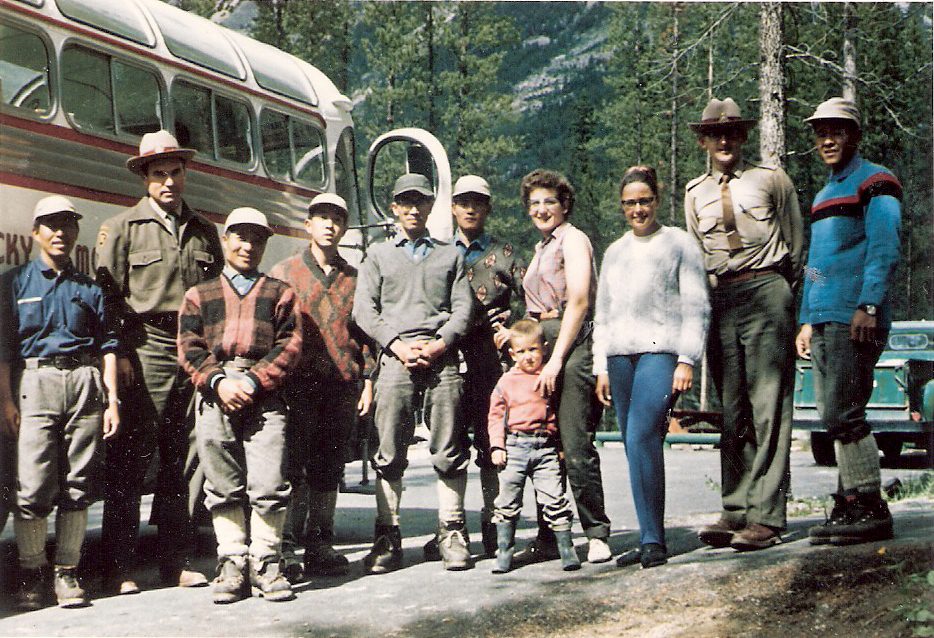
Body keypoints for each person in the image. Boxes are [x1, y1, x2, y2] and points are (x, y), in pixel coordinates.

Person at [95, 130, 223, 593]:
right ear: (145, 179)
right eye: (158, 174)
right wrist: (121, 351)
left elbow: (216, 296)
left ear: (185, 174)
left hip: (191, 347)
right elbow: (108, 297)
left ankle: (175, 560)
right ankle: (120, 566)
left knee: (185, 457)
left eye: (175, 172)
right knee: (130, 455)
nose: (168, 182)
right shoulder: (123, 229)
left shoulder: (204, 230)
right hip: (144, 345)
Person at [684, 98, 804, 552]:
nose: (724, 139)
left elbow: (799, 249)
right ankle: (735, 509)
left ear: (744, 135)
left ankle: (768, 517)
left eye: (732, 131)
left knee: (769, 406)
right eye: (716, 133)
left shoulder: (771, 180)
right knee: (732, 409)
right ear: (703, 141)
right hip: (723, 298)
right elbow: (698, 254)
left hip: (768, 290)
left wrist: (794, 298)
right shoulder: (695, 192)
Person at [0, 196, 120, 609]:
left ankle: (67, 573)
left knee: (78, 483)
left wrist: (113, 400)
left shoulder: (89, 287)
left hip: (84, 382)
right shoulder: (15, 283)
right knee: (31, 485)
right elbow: (4, 349)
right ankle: (32, 573)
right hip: (34, 382)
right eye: (51, 225)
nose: (60, 233)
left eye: (67, 225)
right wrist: (6, 402)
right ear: (35, 233)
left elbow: (108, 345)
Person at [178, 208, 302, 604]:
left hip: (264, 394)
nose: (248, 246)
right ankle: (231, 562)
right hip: (215, 393)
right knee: (221, 483)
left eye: (257, 239)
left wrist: (251, 380)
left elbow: (290, 345)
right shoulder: (200, 294)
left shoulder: (279, 292)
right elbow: (189, 346)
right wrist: (218, 381)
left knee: (268, 482)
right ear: (226, 240)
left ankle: (267, 562)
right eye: (240, 237)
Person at [352, 173, 474, 573]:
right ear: (394, 208)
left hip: (441, 356)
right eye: (405, 201)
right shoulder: (378, 255)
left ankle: (451, 531)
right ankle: (388, 535)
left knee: (449, 446)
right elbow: (364, 311)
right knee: (388, 448)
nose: (413, 209)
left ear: (429, 206)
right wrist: (398, 346)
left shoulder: (450, 255)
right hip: (395, 356)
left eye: (420, 201)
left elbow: (463, 309)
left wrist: (441, 344)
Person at [795, 97, 902, 546]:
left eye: (836, 130)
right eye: (821, 131)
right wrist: (805, 318)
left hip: (855, 316)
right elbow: (816, 264)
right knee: (832, 413)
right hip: (823, 318)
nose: (827, 139)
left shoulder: (876, 181)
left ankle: (869, 506)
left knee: (842, 411)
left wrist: (870, 304)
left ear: (854, 135)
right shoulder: (822, 195)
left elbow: (884, 244)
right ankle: (848, 500)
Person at [594, 166, 710, 569]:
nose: (638, 209)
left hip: (661, 353)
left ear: (657, 200)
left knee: (643, 433)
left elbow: (697, 306)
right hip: (619, 356)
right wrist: (601, 367)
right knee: (632, 441)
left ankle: (653, 540)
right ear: (622, 206)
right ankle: (648, 531)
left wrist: (687, 359)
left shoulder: (679, 244)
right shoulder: (615, 252)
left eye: (645, 201)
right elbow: (602, 314)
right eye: (630, 203)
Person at [270, 193, 373, 581]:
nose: (329, 225)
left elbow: (365, 334)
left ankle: (320, 543)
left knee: (328, 467)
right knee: (290, 465)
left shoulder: (355, 277)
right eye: (321, 218)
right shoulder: (285, 271)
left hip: (341, 383)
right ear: (308, 224)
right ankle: (285, 549)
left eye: (337, 219)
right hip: (297, 385)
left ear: (344, 228)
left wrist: (367, 380)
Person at [516, 168, 612, 565]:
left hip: (571, 349)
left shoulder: (573, 240)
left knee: (574, 445)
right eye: (534, 203)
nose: (541, 209)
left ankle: (597, 532)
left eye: (549, 202)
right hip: (542, 344)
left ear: (565, 205)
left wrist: (556, 359)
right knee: (541, 443)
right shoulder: (541, 248)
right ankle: (550, 534)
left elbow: (578, 302)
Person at [445, 174, 525, 558]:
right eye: (463, 201)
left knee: (493, 440)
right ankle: (451, 529)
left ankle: (494, 523)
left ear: (488, 208)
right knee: (451, 440)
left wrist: (514, 328)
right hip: (448, 355)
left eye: (478, 201)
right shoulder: (439, 252)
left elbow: (532, 299)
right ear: (453, 207)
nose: (470, 208)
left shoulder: (506, 253)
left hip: (492, 359)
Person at [488, 319, 579, 574]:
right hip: (514, 447)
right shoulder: (506, 381)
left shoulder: (550, 376)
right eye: (522, 351)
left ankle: (566, 549)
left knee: (555, 499)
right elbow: (495, 416)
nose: (528, 357)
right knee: (507, 501)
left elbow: (560, 413)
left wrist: (560, 444)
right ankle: (504, 551)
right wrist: (497, 446)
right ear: (512, 353)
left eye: (533, 350)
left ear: (544, 349)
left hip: (545, 449)